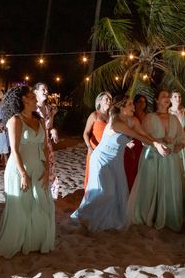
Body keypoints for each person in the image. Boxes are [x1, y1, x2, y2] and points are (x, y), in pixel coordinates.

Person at [71, 95, 170, 232]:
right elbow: (137, 136)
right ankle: (84, 215)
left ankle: (105, 220)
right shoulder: (116, 122)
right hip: (102, 159)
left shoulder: (133, 120)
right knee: (106, 192)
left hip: (116, 160)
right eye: (130, 104)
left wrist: (157, 143)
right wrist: (155, 145)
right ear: (121, 107)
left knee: (118, 193)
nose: (134, 107)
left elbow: (144, 134)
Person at [0, 85, 55, 258]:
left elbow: (44, 147)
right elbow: (14, 149)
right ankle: (20, 242)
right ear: (23, 100)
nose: (35, 98)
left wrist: (47, 169)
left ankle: (35, 241)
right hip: (19, 169)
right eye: (31, 96)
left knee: (41, 204)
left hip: (39, 167)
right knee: (22, 207)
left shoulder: (40, 119)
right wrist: (23, 174)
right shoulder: (15, 120)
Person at [128, 89, 185, 231]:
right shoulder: (150, 118)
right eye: (163, 96)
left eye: (168, 96)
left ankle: (167, 215)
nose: (167, 98)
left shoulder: (174, 118)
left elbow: (182, 138)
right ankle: (150, 214)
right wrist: (160, 141)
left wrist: (178, 146)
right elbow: (144, 140)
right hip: (153, 157)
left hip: (171, 159)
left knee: (168, 186)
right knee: (151, 186)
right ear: (156, 100)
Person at [34, 82, 59, 198]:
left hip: (47, 145)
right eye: (43, 90)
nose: (46, 92)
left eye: (46, 89)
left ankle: (46, 196)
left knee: (49, 170)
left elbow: (50, 126)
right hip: (35, 145)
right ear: (36, 92)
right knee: (37, 171)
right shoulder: (32, 109)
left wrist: (53, 131)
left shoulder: (49, 109)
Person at [83, 91, 112, 189]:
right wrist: (90, 147)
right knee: (94, 176)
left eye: (110, 99)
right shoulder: (94, 115)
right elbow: (86, 133)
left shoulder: (111, 116)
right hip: (95, 149)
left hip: (107, 150)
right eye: (106, 99)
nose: (109, 101)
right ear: (99, 101)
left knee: (105, 178)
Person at [124, 94, 148, 190]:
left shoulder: (147, 116)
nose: (142, 104)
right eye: (140, 102)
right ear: (135, 103)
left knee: (141, 169)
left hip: (144, 144)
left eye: (144, 102)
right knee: (131, 169)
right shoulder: (131, 116)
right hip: (132, 144)